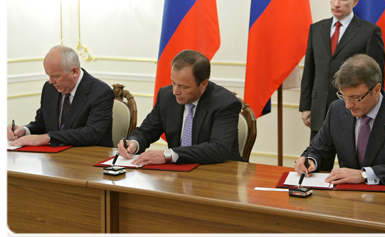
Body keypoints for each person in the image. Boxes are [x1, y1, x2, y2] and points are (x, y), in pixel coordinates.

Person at [295, 54, 385, 185]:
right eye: (343, 96)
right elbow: (319, 149)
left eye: (355, 97)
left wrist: (365, 174)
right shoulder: (337, 109)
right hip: (347, 199)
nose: (348, 105)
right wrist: (310, 159)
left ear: (376, 90)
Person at [117, 49, 245, 165]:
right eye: (173, 83)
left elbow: (218, 149)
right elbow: (147, 130)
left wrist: (168, 154)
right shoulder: (166, 96)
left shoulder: (225, 103)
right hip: (178, 174)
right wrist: (134, 143)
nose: (175, 91)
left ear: (204, 84)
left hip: (219, 175)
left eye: (184, 87)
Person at [300, 0, 385, 142]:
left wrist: (372, 111)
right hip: (319, 110)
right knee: (317, 162)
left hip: (353, 111)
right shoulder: (316, 28)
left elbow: (377, 77)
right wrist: (306, 106)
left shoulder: (369, 32)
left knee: (350, 164)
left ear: (355, 2)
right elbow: (310, 70)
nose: (336, 3)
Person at [6, 45, 115, 147]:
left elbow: (91, 134)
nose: (50, 81)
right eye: (49, 75)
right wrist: (24, 130)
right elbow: (42, 123)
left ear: (74, 72)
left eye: (55, 76)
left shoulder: (101, 92)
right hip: (54, 160)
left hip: (89, 159)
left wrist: (48, 138)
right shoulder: (50, 88)